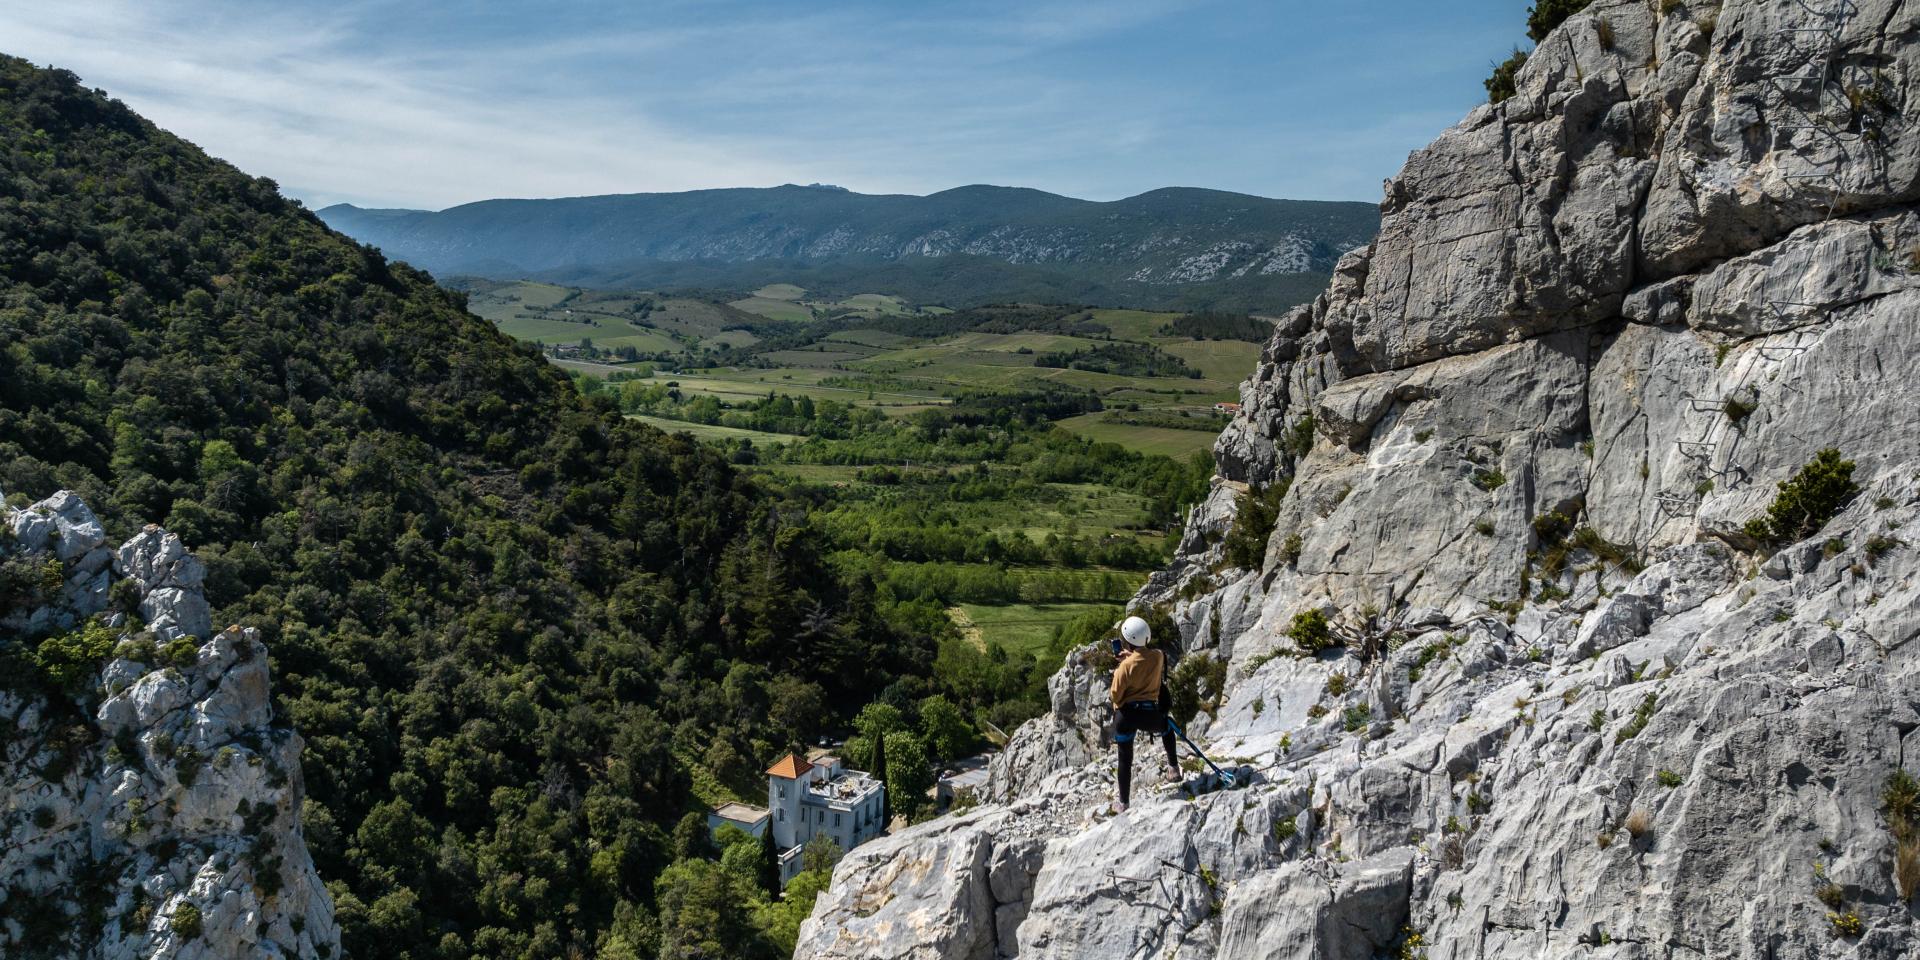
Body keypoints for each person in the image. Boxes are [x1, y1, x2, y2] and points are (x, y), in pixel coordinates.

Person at [1108, 615, 1181, 812]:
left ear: (1127, 642)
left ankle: (1123, 803)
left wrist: (1124, 663)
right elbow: (1144, 659)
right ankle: (1173, 768)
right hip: (1151, 714)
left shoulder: (1124, 667)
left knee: (1125, 757)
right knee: (1167, 728)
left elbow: (1115, 695)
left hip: (1127, 716)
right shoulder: (1158, 656)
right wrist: (1131, 657)